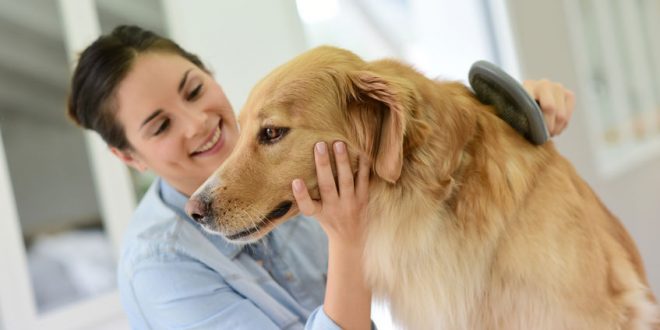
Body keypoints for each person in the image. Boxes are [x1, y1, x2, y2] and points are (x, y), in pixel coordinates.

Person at [67, 25, 575, 329]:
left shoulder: (304, 154)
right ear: (130, 157)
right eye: (160, 125)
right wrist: (347, 240)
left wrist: (512, 111)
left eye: (194, 89)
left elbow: (435, 160)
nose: (199, 122)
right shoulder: (159, 267)